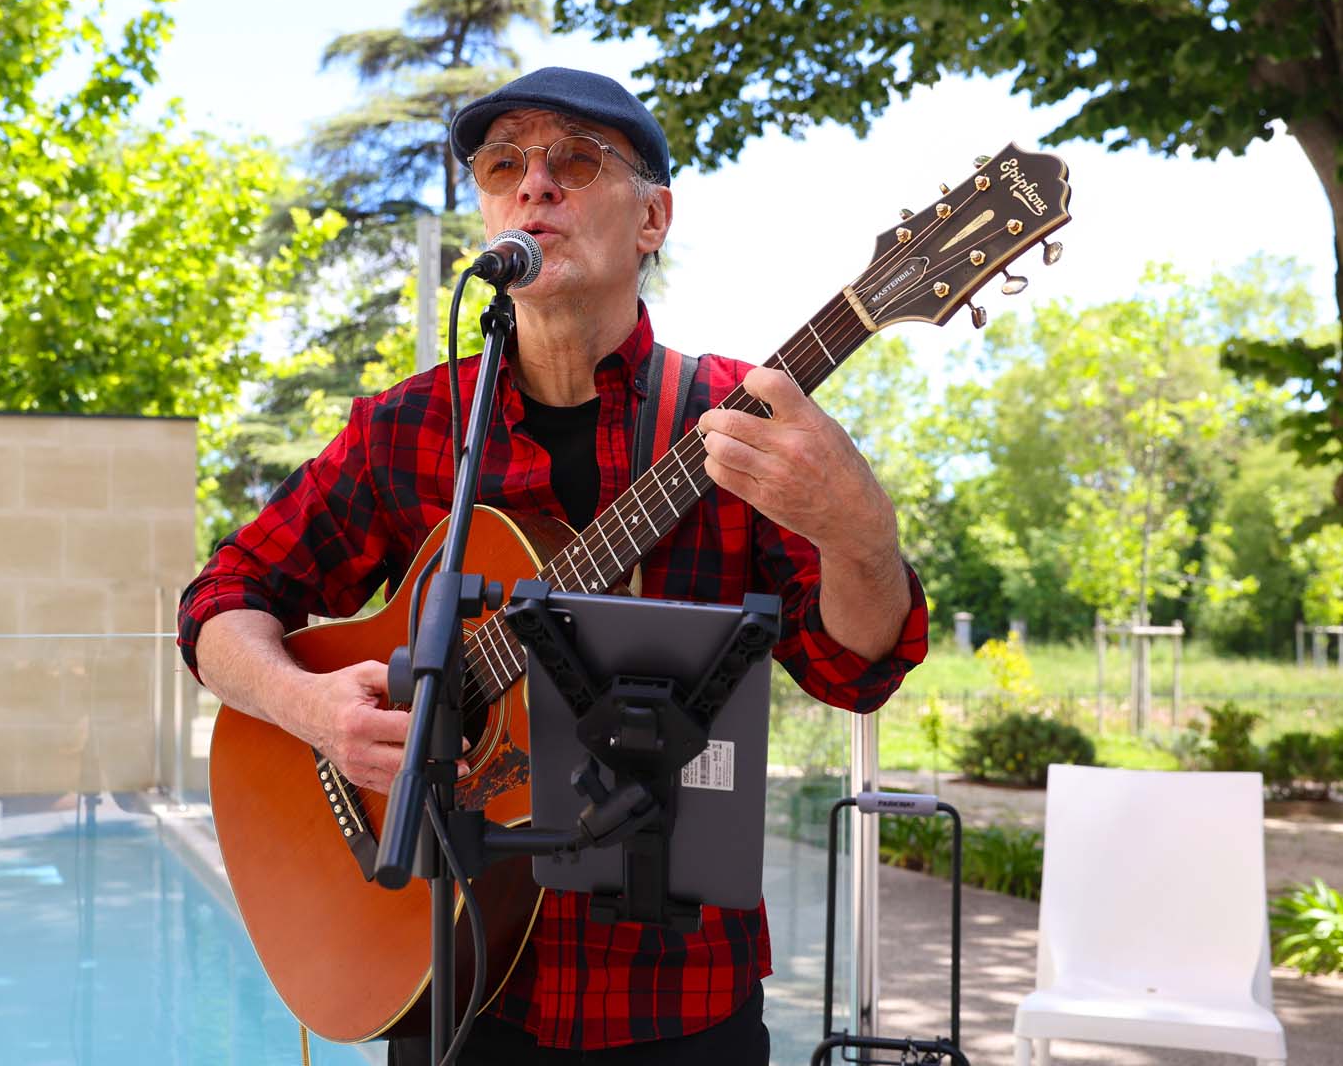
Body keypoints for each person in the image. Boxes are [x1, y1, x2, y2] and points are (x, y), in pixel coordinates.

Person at [178, 67, 928, 1065]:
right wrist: (312, 709)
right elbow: (220, 603)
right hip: (453, 980)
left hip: (677, 1000)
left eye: (576, 160)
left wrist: (860, 533)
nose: (535, 185)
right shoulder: (409, 427)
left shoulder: (735, 425)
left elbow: (856, 671)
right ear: (487, 213)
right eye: (503, 166)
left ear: (653, 218)